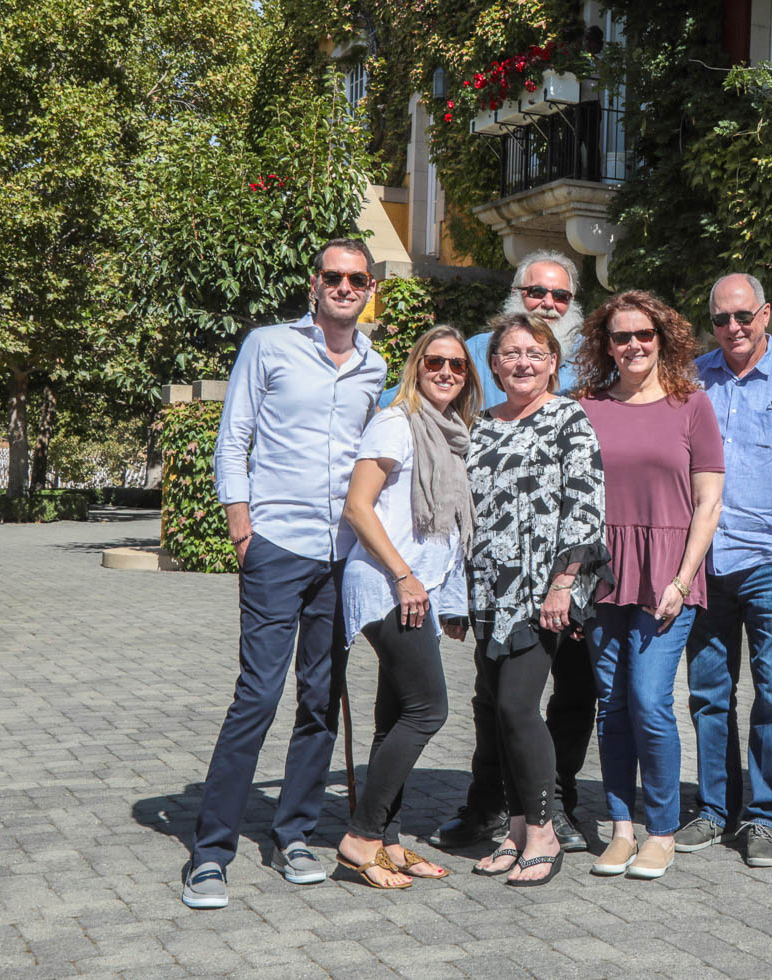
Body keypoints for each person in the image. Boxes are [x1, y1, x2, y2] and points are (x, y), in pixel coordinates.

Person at [182, 239, 387, 910]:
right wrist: (242, 526)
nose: (345, 286)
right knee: (258, 697)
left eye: (357, 278)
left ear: (369, 287)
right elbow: (233, 435)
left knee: (321, 703)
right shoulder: (269, 346)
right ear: (314, 283)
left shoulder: (373, 367)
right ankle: (210, 853)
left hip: (339, 556)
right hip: (277, 547)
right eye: (334, 276)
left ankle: (293, 833)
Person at [430, 250, 594, 855]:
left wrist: (569, 576)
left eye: (558, 295)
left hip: (566, 566)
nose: (547, 303)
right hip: (494, 573)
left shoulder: (591, 357)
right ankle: (488, 806)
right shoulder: (475, 352)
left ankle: (554, 806)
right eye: (536, 291)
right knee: (493, 697)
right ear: (516, 293)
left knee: (573, 692)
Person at [675, 274, 772, 868]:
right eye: (721, 319)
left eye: (744, 316)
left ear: (766, 313)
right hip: (707, 562)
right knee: (708, 693)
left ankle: (765, 818)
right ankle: (715, 810)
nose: (733, 328)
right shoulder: (692, 379)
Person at [576, 290, 724, 880]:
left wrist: (683, 579)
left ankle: (661, 830)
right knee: (610, 705)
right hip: (604, 570)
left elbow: (709, 502)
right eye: (620, 337)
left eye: (643, 335)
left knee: (649, 701)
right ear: (605, 344)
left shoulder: (692, 406)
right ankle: (620, 827)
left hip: (668, 570)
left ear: (662, 338)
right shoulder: (585, 405)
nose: (633, 345)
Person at [465, 312, 609, 887]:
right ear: (494, 364)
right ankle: (517, 829)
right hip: (487, 590)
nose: (523, 363)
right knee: (497, 712)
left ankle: (544, 832)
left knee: (517, 708)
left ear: (553, 362)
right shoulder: (480, 424)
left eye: (535, 353)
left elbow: (586, 505)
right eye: (511, 353)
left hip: (540, 588)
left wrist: (563, 584)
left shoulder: (568, 417)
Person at [334, 326, 479, 888]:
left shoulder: (454, 432)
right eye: (435, 362)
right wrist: (404, 576)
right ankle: (362, 835)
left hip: (422, 590)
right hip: (387, 586)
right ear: (416, 367)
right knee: (428, 710)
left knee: (394, 715)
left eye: (458, 366)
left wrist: (446, 594)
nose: (446, 372)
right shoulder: (396, 424)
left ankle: (388, 843)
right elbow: (358, 507)